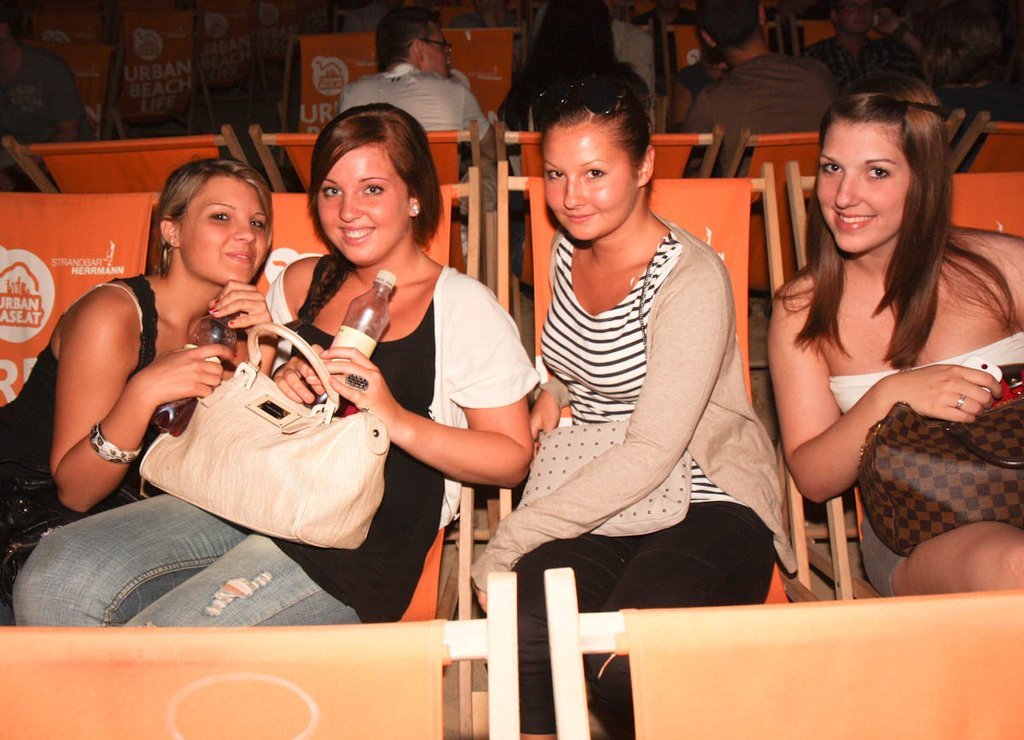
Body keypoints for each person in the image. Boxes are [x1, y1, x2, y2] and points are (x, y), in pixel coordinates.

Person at [15, 104, 537, 628]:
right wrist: (275, 378)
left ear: (415, 197)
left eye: (372, 189)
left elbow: (511, 458)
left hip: (355, 541)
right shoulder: (303, 280)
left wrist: (393, 416)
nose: (348, 211)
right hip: (248, 493)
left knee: (166, 638)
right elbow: (247, 412)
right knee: (55, 578)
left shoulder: (460, 305)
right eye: (331, 191)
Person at [472, 77, 795, 736]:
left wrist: (512, 537)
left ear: (645, 166)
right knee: (526, 626)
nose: (571, 197)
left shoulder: (689, 280)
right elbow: (574, 356)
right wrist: (554, 391)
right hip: (603, 486)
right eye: (556, 174)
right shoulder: (568, 248)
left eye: (595, 173)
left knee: (625, 662)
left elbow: (651, 451)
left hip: (706, 497)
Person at [768, 82, 1024, 598]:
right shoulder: (804, 309)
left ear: (923, 180)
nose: (843, 196)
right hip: (922, 529)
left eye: (877, 172)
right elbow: (814, 478)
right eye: (831, 168)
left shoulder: (1005, 268)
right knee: (1015, 566)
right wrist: (889, 396)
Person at [1, 158, 274, 625]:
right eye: (221, 216)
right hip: (28, 511)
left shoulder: (238, 329)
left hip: (131, 517)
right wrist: (143, 392)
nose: (246, 235)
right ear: (171, 231)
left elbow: (232, 467)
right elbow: (76, 491)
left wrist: (261, 349)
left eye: (258, 223)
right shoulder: (112, 315)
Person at [338, 7, 497, 210]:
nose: (447, 56)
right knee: (488, 168)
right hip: (435, 211)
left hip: (370, 209)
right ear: (418, 48)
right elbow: (492, 149)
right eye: (442, 46)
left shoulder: (352, 94)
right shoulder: (453, 91)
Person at [683, 0, 837, 175]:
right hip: (820, 191)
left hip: (754, 193)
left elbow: (683, 164)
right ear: (762, 15)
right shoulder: (819, 75)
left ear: (708, 38)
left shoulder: (713, 101)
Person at [0, 1, 89, 191]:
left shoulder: (48, 68)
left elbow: (69, 132)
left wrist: (28, 163)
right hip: (12, 159)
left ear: (3, 30)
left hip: (56, 159)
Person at [802, 0, 923, 92]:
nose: (861, 12)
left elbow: (924, 78)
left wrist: (898, 31)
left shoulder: (888, 50)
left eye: (867, 6)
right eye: (852, 6)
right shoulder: (816, 55)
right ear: (835, 15)